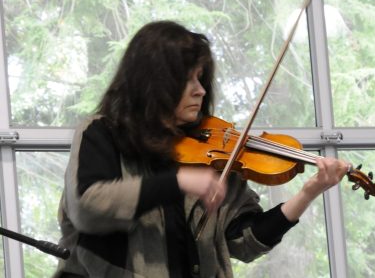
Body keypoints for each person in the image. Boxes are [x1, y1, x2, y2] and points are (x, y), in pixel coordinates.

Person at [54, 20, 349, 278]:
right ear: (154, 82)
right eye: (188, 79)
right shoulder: (102, 132)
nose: (201, 90)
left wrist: (308, 192)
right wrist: (178, 181)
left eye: (201, 77)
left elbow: (242, 242)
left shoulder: (212, 154)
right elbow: (88, 207)